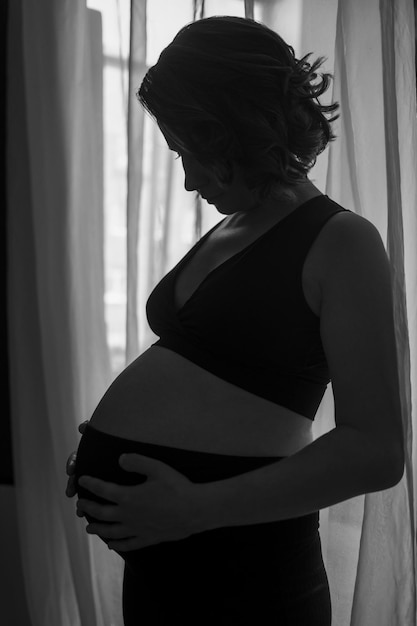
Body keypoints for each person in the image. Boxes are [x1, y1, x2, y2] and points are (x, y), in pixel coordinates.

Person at [65, 15, 404, 626]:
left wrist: (194, 505)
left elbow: (376, 452)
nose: (191, 181)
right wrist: (114, 455)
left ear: (238, 131)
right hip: (160, 573)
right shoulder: (230, 227)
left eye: (193, 154)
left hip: (248, 578)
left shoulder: (343, 241)